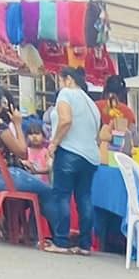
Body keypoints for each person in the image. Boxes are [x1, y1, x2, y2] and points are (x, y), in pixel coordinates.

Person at [0, 82, 57, 240]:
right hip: (4, 176)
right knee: (47, 191)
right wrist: (18, 125)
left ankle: (26, 232)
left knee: (35, 188)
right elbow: (22, 152)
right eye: (2, 102)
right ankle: (59, 237)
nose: (5, 105)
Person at [48, 65, 102, 255]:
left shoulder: (66, 93)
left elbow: (65, 120)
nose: (59, 85)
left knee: (62, 195)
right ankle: (85, 244)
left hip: (69, 152)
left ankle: (61, 241)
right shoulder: (91, 104)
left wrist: (54, 143)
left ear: (68, 80)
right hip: (90, 156)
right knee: (84, 197)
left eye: (60, 80)